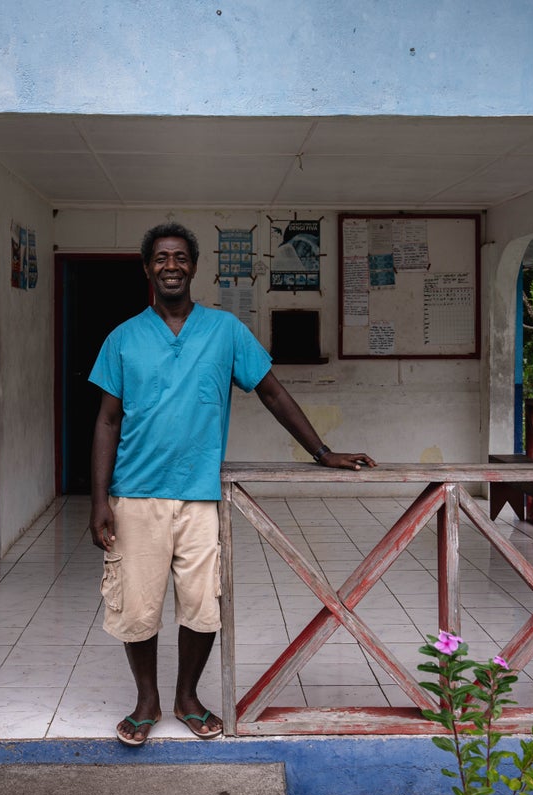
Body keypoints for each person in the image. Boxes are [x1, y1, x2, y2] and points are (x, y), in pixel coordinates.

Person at [89, 222, 376, 745]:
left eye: (180, 257)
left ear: (193, 267)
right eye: (160, 258)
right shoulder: (123, 338)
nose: (170, 266)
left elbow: (272, 392)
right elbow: (107, 421)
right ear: (147, 268)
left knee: (202, 607)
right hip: (135, 496)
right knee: (137, 606)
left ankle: (188, 698)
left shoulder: (225, 332)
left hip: (200, 497)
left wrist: (322, 451)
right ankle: (147, 700)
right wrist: (99, 501)